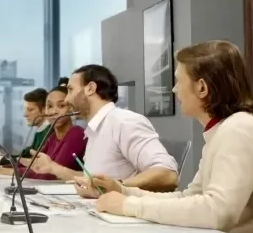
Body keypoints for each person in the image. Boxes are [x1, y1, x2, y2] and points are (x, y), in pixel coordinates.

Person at [94, 41, 253, 233]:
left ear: (202, 88)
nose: (174, 90)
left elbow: (218, 212)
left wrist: (129, 206)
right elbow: (190, 197)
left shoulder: (239, 131)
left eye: (179, 81)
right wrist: (124, 192)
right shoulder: (225, 131)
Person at [29, 64, 178, 193]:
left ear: (90, 89)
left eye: (70, 90)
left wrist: (117, 187)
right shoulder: (95, 129)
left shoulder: (123, 122)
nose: (67, 99)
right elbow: (97, 181)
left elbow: (168, 174)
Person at [1, 87, 86, 180]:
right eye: (49, 106)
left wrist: (11, 172)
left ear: (70, 109)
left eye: (61, 106)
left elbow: (49, 174)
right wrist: (0, 168)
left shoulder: (76, 134)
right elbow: (34, 165)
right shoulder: (52, 138)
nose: (54, 111)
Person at [0, 87, 49, 165]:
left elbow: (32, 162)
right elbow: (26, 154)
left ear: (44, 110)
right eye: (25, 110)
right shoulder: (41, 131)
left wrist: (0, 160)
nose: (25, 115)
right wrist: (2, 157)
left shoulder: (49, 133)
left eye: (30, 110)